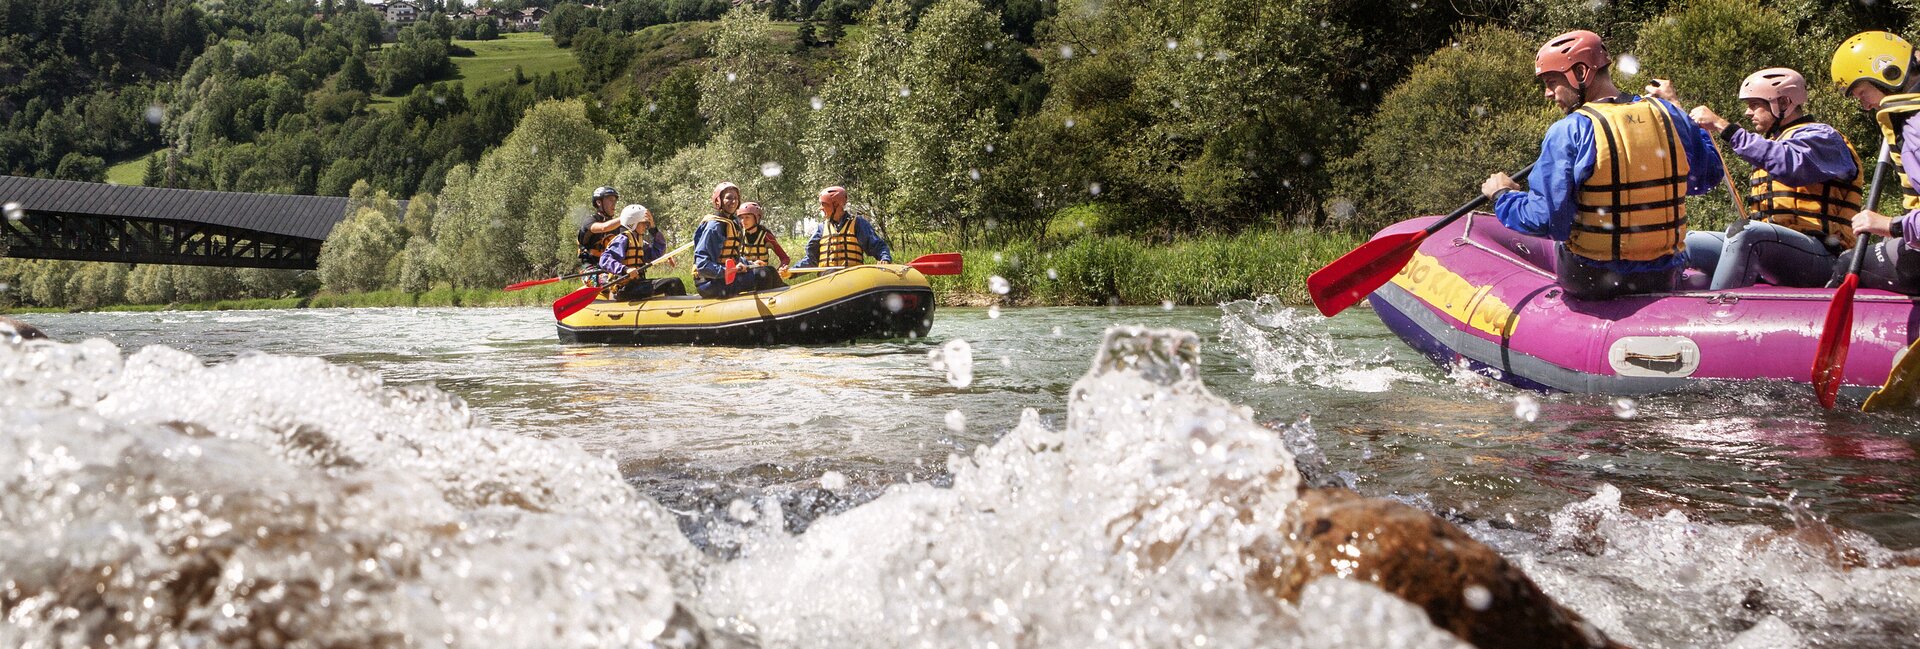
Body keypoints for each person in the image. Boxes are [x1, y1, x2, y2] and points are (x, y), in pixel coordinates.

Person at [1481, 30, 1723, 300]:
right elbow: (1706, 178)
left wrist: (1504, 196)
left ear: (1581, 72)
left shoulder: (1569, 130)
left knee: (1554, 245)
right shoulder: (1668, 113)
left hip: (1593, 279)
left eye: (1552, 82)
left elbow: (1548, 222)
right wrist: (1684, 116)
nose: (1548, 94)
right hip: (1662, 276)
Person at [1652, 68, 1863, 290]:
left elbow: (1789, 164)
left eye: (1754, 105)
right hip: (1776, 254)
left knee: (1749, 233)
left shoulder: (1825, 138)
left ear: (1783, 103)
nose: (1747, 112)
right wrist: (1674, 104)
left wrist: (1723, 126)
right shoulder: (1777, 141)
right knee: (1687, 242)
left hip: (1826, 256)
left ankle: (1720, 315)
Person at [1829, 31, 1920, 294]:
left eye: (1862, 93)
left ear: (1887, 74)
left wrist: (1891, 225)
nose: (1866, 105)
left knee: (1846, 263)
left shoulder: (1915, 127)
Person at [691, 182, 780, 298]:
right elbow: (702, 266)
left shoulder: (732, 223)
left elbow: (731, 257)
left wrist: (750, 264)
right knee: (763, 275)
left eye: (736, 198)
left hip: (723, 279)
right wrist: (729, 270)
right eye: (728, 198)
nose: (733, 201)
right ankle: (770, 307)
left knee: (769, 270)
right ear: (718, 201)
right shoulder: (714, 227)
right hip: (709, 284)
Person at [595, 204, 687, 300]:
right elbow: (604, 260)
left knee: (674, 282)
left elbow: (656, 253)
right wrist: (625, 269)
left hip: (637, 284)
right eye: (643, 223)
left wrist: (653, 229)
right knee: (673, 283)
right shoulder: (622, 239)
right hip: (625, 289)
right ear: (632, 223)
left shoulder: (639, 241)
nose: (645, 226)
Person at [794, 186, 892, 271]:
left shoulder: (858, 224)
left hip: (852, 278)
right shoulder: (821, 228)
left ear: (836, 205)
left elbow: (877, 246)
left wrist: (885, 259)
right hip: (827, 280)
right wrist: (791, 271)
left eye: (824, 204)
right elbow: (811, 259)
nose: (821, 208)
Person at [736, 202, 790, 288]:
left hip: (763, 277)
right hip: (745, 276)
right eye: (741, 218)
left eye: (747, 217)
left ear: (756, 218)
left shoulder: (766, 237)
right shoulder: (738, 236)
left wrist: (779, 271)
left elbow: (784, 258)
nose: (743, 221)